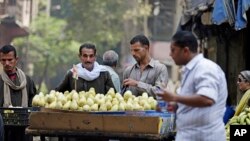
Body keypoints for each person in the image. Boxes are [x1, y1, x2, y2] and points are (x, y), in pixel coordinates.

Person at [157, 31, 228, 141]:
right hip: (190, 135)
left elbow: (207, 99)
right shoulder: (190, 70)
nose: (170, 54)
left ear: (185, 50)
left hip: (204, 136)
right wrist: (173, 105)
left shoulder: (205, 68)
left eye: (173, 50)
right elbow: (191, 102)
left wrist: (174, 97)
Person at [0, 45, 37, 141]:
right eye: (3, 60)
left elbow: (33, 102)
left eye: (10, 59)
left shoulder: (27, 80)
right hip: (4, 130)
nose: (6, 63)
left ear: (16, 59)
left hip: (24, 130)